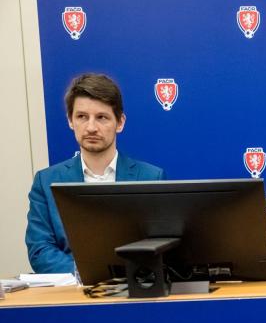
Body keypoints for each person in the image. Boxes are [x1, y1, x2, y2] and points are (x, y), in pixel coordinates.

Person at [26, 73, 165, 273]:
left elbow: (162, 247)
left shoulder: (151, 178)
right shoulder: (46, 181)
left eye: (101, 117)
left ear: (120, 123)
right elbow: (40, 250)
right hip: (73, 289)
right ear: (70, 121)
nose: (91, 127)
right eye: (82, 117)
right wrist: (85, 272)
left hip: (134, 287)